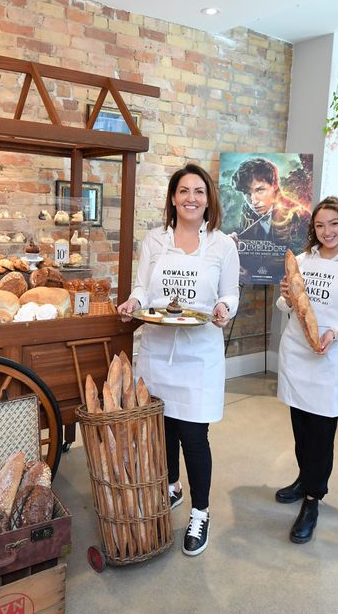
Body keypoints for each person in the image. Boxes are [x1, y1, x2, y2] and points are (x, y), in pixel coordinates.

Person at [117, 163, 240, 556]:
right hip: (157, 349)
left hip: (198, 354)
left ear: (208, 200)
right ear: (173, 197)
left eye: (199, 192)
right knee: (162, 430)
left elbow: (231, 294)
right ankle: (171, 487)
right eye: (184, 191)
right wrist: (134, 302)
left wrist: (222, 308)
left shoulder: (222, 244)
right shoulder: (154, 240)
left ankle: (200, 512)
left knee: (193, 435)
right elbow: (140, 286)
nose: (191, 198)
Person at [274, 196, 338, 543]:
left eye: (334, 223)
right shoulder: (301, 260)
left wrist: (337, 332)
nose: (327, 231)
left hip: (331, 359)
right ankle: (304, 478)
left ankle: (313, 499)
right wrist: (286, 296)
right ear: (312, 229)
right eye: (320, 225)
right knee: (301, 427)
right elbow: (284, 304)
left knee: (321, 433)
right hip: (297, 354)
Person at [230, 157, 310, 282]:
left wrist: (252, 276)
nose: (254, 201)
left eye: (260, 190)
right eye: (247, 193)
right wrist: (234, 246)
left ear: (275, 185)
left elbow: (299, 264)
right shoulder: (247, 209)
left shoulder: (299, 215)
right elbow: (250, 245)